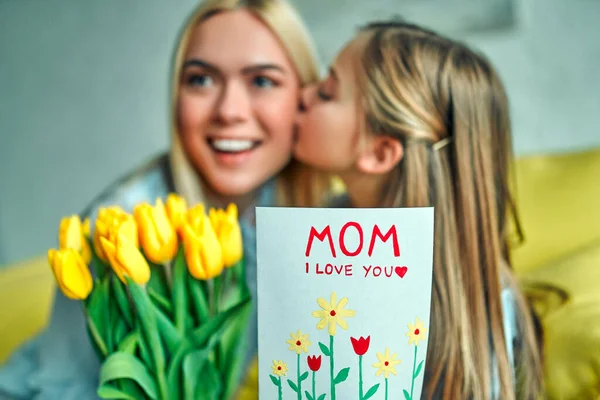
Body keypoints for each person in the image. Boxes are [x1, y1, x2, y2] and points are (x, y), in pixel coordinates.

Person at [0, 1, 328, 399]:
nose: (229, 111)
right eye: (201, 80)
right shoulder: (118, 225)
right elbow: (60, 387)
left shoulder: (297, 209)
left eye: (261, 81)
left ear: (304, 100)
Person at [294, 19, 544, 399]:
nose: (303, 95)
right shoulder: (315, 229)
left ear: (379, 153)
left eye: (327, 92)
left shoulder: (470, 315)